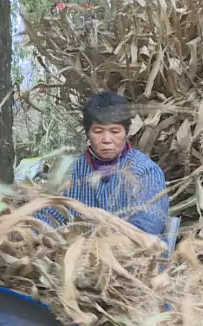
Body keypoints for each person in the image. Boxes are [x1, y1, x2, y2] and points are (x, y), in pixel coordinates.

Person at [50, 91, 169, 235]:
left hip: (131, 255)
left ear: (127, 132)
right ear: (87, 133)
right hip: (72, 253)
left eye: (115, 131)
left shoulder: (146, 171)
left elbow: (148, 227)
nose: (107, 139)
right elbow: (47, 217)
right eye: (98, 131)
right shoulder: (70, 171)